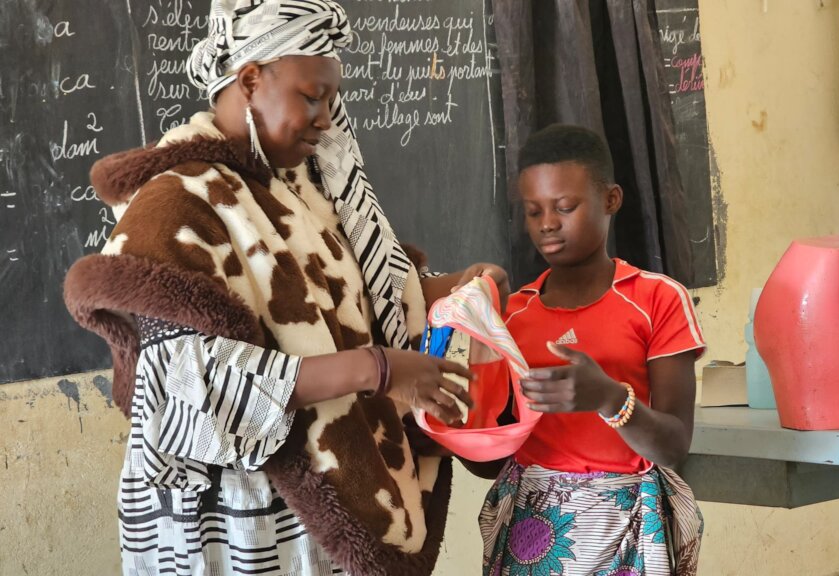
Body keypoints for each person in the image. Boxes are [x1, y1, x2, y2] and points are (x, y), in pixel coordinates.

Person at [63, 1, 507, 574]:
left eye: (331, 100)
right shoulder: (175, 203)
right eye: (311, 97)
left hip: (321, 518)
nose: (327, 118)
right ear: (250, 80)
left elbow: (354, 298)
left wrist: (455, 288)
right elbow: (186, 388)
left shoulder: (308, 190)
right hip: (238, 519)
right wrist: (379, 370)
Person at [476, 125, 705, 575]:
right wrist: (450, 425)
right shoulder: (513, 317)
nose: (547, 224)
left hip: (630, 529)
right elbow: (492, 463)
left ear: (611, 200)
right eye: (533, 210)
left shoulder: (656, 299)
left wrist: (609, 398)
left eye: (565, 207)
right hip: (533, 531)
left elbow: (675, 446)